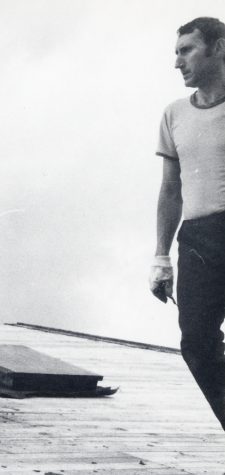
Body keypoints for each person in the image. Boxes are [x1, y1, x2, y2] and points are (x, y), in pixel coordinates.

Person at [149, 17, 225, 430]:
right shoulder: (174, 114)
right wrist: (161, 256)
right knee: (196, 342)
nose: (179, 62)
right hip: (197, 238)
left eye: (188, 50)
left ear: (219, 48)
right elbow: (170, 188)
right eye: (177, 52)